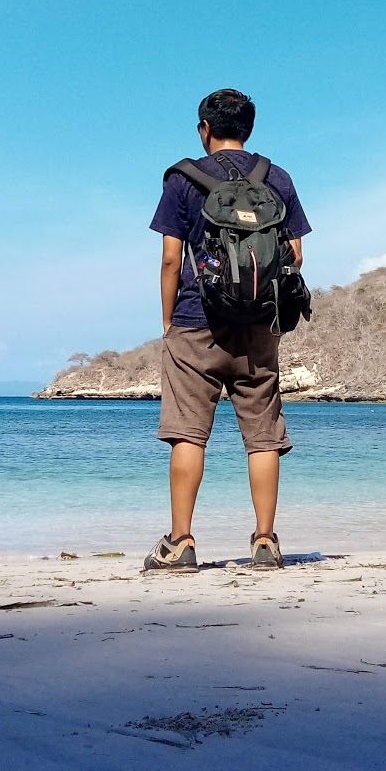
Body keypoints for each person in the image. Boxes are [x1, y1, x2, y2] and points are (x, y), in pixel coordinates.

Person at [143, 88, 311, 572]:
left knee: (187, 435)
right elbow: (295, 254)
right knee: (263, 436)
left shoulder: (182, 180)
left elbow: (171, 257)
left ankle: (180, 543)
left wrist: (169, 319)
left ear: (204, 129)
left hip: (197, 321)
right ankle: (265, 542)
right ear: (249, 130)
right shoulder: (275, 177)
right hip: (260, 324)